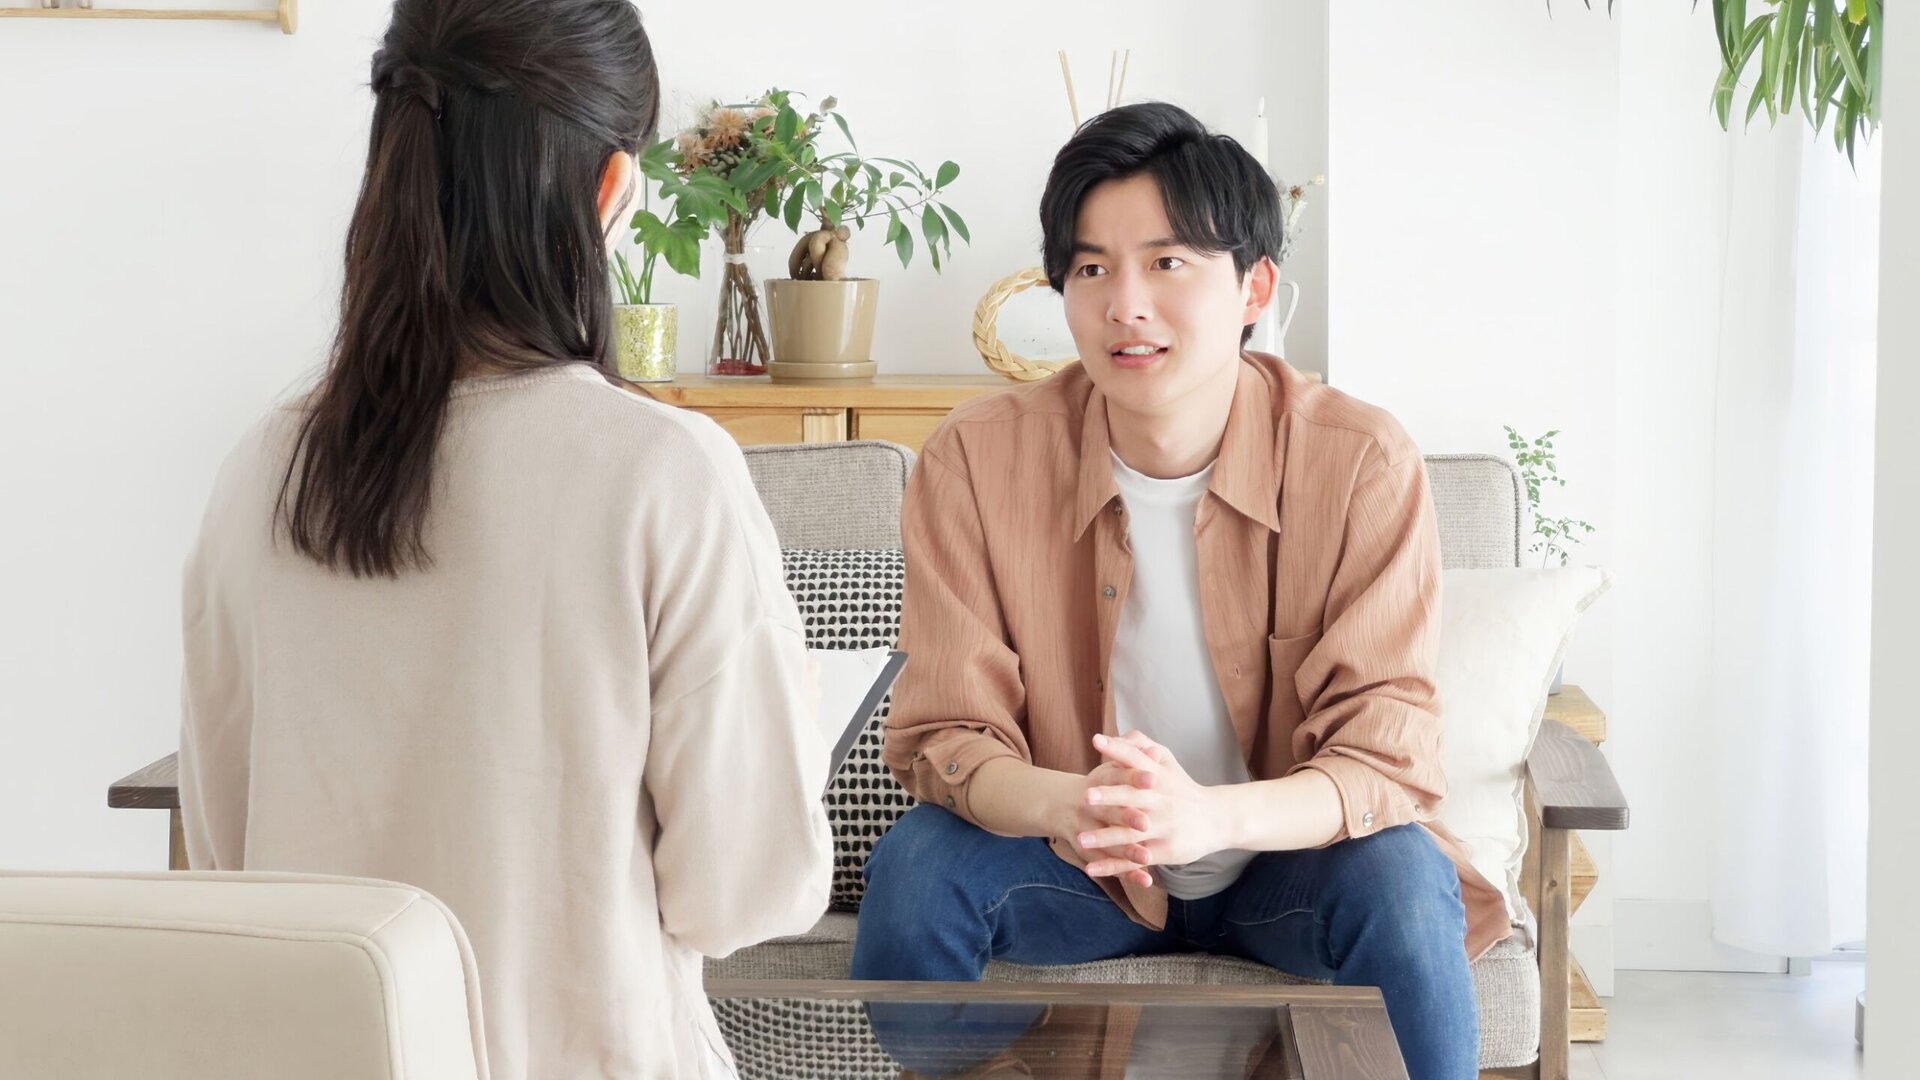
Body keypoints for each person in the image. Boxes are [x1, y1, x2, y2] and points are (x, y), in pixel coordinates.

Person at [176, 3, 832, 1077]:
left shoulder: (262, 471)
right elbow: (744, 893)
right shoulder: (661, 471)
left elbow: (226, 866)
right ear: (611, 191)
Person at [851, 102, 1504, 1080]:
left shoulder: (1359, 461)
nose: (1126, 304)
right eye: (1091, 268)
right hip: (1075, 868)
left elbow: (1387, 759)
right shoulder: (975, 460)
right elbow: (947, 737)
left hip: (1285, 865)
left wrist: (1211, 819)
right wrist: (1077, 806)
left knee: (1405, 880)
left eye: (1168, 263)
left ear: (1255, 287)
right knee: (916, 870)